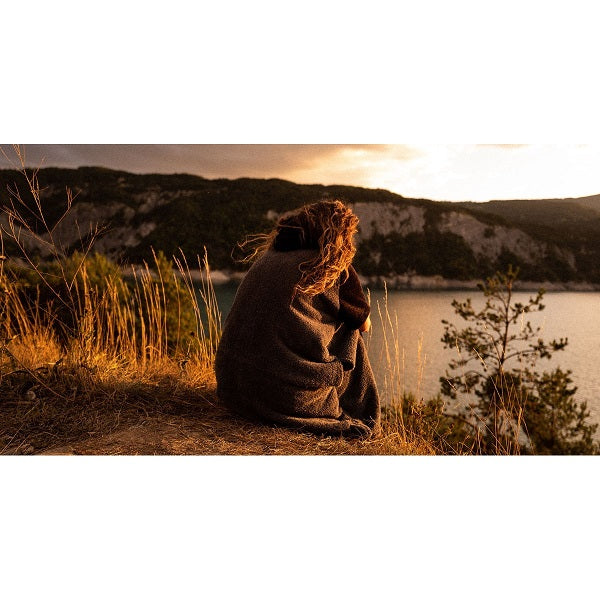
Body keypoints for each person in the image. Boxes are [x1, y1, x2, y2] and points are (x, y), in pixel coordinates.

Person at [215, 199, 380, 437]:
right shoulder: (330, 268)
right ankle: (365, 414)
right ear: (339, 235)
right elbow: (365, 325)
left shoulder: (268, 258)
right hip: (286, 399)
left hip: (233, 389)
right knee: (350, 327)